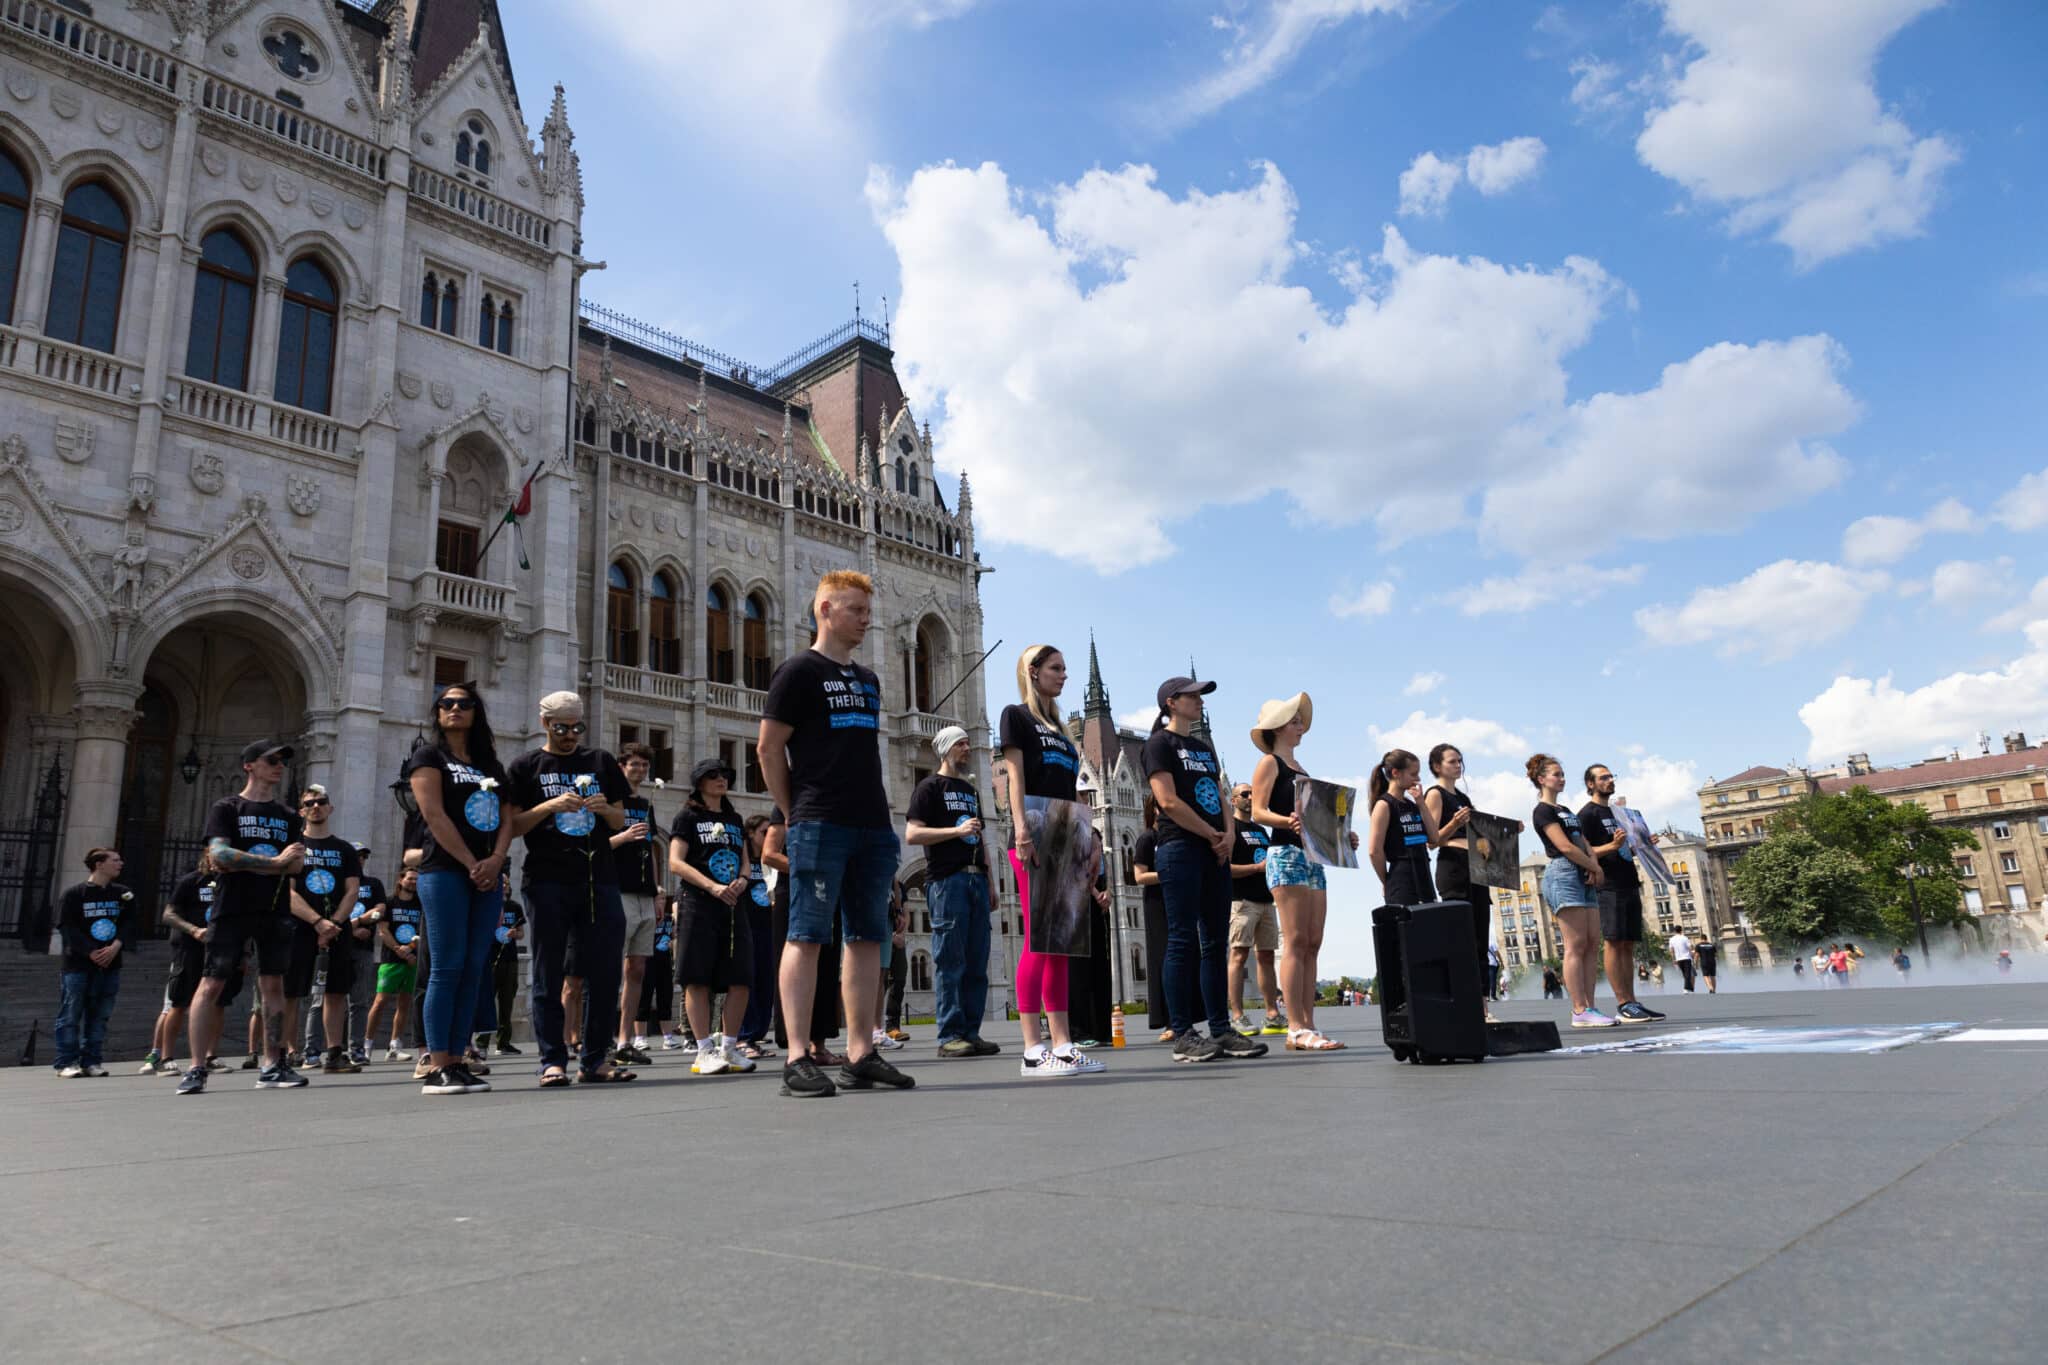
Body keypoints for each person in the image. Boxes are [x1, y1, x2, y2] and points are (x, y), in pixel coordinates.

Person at [757, 570, 914, 1098]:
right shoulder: (797, 671)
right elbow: (767, 748)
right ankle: (797, 1055)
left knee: (867, 936)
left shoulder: (868, 680)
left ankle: (860, 1051)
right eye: (856, 611)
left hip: (872, 822)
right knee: (805, 934)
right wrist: (793, 810)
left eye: (868, 611)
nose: (866, 620)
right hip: (819, 820)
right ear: (825, 610)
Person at [179, 741, 334, 1095]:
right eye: (272, 760)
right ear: (249, 765)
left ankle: (272, 1063)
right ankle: (196, 1067)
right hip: (232, 905)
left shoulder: (289, 817)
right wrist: (273, 864)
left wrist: (263, 863)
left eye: (282, 762)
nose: (279, 767)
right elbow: (219, 856)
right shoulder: (228, 807)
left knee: (273, 985)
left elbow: (296, 863)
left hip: (275, 908)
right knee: (212, 982)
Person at [509, 689, 635, 1087]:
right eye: (561, 727)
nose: (569, 735)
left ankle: (596, 1058)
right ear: (545, 723)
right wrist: (549, 806)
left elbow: (619, 821)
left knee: (605, 969)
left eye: (576, 727)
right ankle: (552, 1059)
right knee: (549, 969)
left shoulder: (599, 762)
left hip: (599, 878)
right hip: (546, 877)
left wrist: (605, 809)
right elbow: (512, 826)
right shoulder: (526, 766)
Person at [999, 644, 1109, 1077]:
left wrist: (1092, 840)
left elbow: (1074, 791)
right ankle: (1031, 1048)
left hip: (1068, 833)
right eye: (1056, 668)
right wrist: (1022, 828)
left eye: (1064, 668)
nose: (1064, 675)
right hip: (1035, 832)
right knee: (1038, 942)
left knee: (1060, 944)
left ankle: (1063, 1045)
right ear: (1033, 671)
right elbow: (1015, 776)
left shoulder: (1063, 730)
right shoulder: (1016, 716)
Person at [1145, 676, 1267, 1065]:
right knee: (1182, 940)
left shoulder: (1203, 747)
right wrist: (1212, 834)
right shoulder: (1159, 744)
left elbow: (1217, 794)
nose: (1200, 702)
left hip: (1216, 852)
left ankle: (1221, 1029)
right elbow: (1167, 800)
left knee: (1215, 942)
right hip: (1180, 848)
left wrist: (1229, 835)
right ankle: (1182, 1033)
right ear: (1171, 702)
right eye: (1193, 696)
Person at [404, 681, 513, 1096]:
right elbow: (433, 815)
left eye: (463, 704)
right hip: (446, 872)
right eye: (446, 703)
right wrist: (472, 864)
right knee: (446, 967)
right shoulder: (429, 757)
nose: (454, 709)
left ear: (475, 712)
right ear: (437, 713)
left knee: (473, 968)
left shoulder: (490, 765)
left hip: (486, 874)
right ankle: (435, 1063)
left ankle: (458, 1057)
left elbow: (506, 818)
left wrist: (496, 861)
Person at [1248, 692, 1339, 1052]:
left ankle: (1309, 1023)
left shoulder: (1302, 769)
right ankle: (1295, 1025)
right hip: (1285, 852)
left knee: (1313, 942)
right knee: (1296, 939)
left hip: (1312, 856)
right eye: (1295, 720)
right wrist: (1288, 819)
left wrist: (1338, 833)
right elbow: (1257, 811)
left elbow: (1314, 818)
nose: (1301, 725)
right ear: (1278, 728)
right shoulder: (1270, 763)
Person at [908, 726, 998, 1060]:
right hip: (947, 882)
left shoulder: (972, 791)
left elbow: (982, 839)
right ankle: (949, 1035)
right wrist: (955, 830)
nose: (967, 748)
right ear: (946, 749)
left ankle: (971, 1033)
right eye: (961, 744)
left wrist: (990, 882)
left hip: (976, 880)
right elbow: (913, 834)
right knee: (950, 959)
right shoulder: (928, 788)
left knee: (977, 960)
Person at [668, 757, 758, 1076]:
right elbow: (675, 862)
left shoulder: (734, 818)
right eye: (713, 775)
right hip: (698, 901)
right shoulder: (687, 817)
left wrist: (743, 881)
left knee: (741, 976)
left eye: (725, 775)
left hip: (733, 903)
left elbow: (746, 861)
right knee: (697, 977)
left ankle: (730, 1047)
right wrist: (712, 886)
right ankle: (703, 1049)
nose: (721, 779)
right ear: (700, 783)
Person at [1423, 743, 1512, 1023]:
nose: (1458, 765)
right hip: (1454, 869)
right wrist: (1453, 823)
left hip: (1477, 869)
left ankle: (1482, 1007)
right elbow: (1432, 839)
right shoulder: (1435, 794)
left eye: (1460, 760)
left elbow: (1479, 832)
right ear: (1437, 766)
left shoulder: (1462, 796)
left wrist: (1506, 831)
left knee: (1478, 943)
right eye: (1452, 761)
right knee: (1460, 941)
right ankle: (1461, 1006)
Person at [1528, 753, 1613, 1029]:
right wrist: (1594, 866)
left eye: (1563, 774)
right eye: (1556, 774)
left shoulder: (1565, 809)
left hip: (1583, 871)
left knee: (1590, 944)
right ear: (1542, 779)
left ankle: (1590, 1006)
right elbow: (1563, 846)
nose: (1561, 779)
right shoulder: (1543, 811)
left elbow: (1582, 839)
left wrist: (1593, 863)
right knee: (1575, 945)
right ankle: (1578, 1009)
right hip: (1564, 873)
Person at [286, 784, 366, 1073]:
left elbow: (353, 890)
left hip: (337, 930)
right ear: (302, 811)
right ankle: (290, 1053)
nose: (316, 807)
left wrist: (334, 924)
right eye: (309, 803)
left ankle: (334, 1052)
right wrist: (317, 921)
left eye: (321, 802)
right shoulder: (294, 847)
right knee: (292, 991)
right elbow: (288, 891)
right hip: (301, 927)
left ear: (330, 808)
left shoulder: (344, 850)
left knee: (336, 991)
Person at [1577, 768, 1665, 1024]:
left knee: (1628, 943)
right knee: (1614, 941)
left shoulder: (1619, 813)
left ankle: (1632, 1001)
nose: (1610, 781)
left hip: (1628, 880)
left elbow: (1627, 847)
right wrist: (1612, 846)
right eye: (1603, 778)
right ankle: (1623, 1003)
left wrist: (1643, 843)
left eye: (1611, 776)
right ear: (1590, 784)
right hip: (1608, 884)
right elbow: (1585, 851)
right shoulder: (1587, 814)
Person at [53, 848, 132, 1078]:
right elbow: (66, 927)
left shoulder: (123, 893)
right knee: (71, 1013)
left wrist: (117, 944)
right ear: (99, 864)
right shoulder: (74, 894)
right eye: (115, 860)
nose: (121, 863)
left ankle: (92, 1060)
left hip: (110, 963)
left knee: (100, 1014)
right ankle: (66, 1062)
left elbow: (129, 922)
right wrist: (89, 951)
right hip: (78, 965)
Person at [610, 741, 663, 1069]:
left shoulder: (646, 803)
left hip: (645, 894)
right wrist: (624, 837)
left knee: (638, 968)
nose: (640, 770)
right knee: (611, 967)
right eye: (635, 765)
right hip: (618, 891)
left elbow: (653, 849)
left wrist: (658, 891)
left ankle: (625, 1038)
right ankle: (600, 1037)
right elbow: (597, 845)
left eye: (645, 765)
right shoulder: (610, 803)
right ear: (622, 766)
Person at [145, 851, 217, 1076]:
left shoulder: (229, 883)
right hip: (187, 950)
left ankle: (209, 1056)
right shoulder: (189, 881)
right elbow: (169, 914)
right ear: (207, 855)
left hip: (216, 951)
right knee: (177, 1003)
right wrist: (193, 930)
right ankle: (164, 1056)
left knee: (214, 1002)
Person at [1224, 783, 1283, 1035]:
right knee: (1238, 955)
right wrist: (1255, 869)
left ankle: (1272, 1014)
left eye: (1253, 793)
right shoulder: (1231, 829)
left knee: (1266, 957)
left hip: (1266, 901)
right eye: (1245, 794)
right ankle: (1237, 1015)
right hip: (1242, 901)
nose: (1251, 797)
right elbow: (1223, 869)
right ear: (1234, 800)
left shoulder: (1261, 831)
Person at [1366, 749, 1444, 909]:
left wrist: (1421, 803)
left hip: (1424, 877)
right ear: (1396, 773)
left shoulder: (1412, 805)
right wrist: (1385, 880)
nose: (1418, 779)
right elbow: (1374, 851)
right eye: (1413, 774)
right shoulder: (1384, 805)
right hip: (1401, 879)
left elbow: (1434, 838)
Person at [366, 853, 423, 1060]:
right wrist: (399, 949)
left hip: (413, 959)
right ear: (401, 880)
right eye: (410, 878)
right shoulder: (389, 902)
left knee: (405, 1003)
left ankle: (395, 1045)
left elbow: (423, 930)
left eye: (416, 879)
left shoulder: (420, 904)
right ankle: (367, 1045)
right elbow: (382, 930)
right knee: (380, 1001)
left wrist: (411, 947)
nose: (413, 882)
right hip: (391, 960)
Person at [732, 814, 778, 1060]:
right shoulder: (744, 861)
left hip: (767, 928)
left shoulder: (770, 860)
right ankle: (742, 1036)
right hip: (746, 927)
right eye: (763, 832)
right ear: (750, 834)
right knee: (746, 981)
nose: (768, 836)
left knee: (765, 982)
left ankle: (756, 1034)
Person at [1133, 799, 1170, 1040]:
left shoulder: (1173, 838)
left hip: (1177, 900)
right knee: (1162, 958)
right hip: (1156, 904)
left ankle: (1182, 1018)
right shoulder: (1147, 838)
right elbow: (1139, 876)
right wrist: (1169, 873)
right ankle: (1168, 1021)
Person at [486, 891, 525, 1055]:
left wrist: (515, 934)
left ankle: (503, 1043)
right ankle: (482, 1043)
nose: (505, 886)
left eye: (507, 883)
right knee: (487, 1000)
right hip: (490, 959)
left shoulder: (514, 907)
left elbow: (522, 933)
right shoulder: (486, 904)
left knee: (507, 1002)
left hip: (510, 959)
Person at [635, 905, 676, 1050]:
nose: (661, 901)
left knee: (665, 997)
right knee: (644, 998)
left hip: (664, 962)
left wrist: (673, 944)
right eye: (658, 898)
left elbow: (675, 937)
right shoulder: (645, 917)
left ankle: (668, 1037)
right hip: (646, 962)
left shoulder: (670, 919)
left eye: (663, 898)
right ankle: (640, 1038)